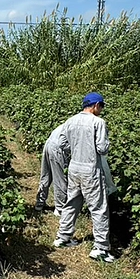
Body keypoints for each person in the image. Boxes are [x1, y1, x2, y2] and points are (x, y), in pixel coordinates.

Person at [53, 92, 115, 263]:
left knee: (72, 202)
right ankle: (100, 248)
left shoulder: (71, 121)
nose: (101, 110)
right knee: (98, 208)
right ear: (96, 106)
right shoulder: (98, 122)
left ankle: (63, 237)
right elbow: (102, 148)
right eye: (101, 106)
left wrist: (76, 149)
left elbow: (62, 143)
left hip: (74, 167)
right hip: (90, 169)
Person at [34, 123, 69, 216]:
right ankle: (60, 208)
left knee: (46, 174)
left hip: (49, 143)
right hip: (57, 147)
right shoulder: (84, 126)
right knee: (59, 178)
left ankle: (40, 202)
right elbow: (64, 144)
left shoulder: (71, 122)